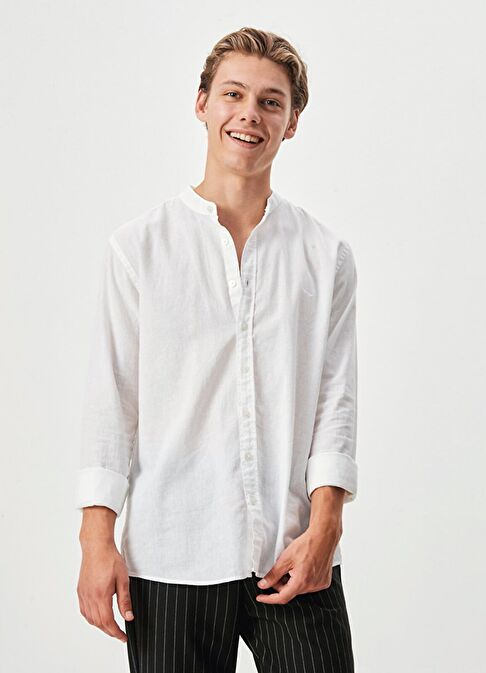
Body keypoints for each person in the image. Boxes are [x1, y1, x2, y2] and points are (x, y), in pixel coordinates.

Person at [75, 26, 358, 673]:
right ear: (202, 103)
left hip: (294, 550)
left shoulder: (325, 256)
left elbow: (336, 402)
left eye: (270, 101)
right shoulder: (139, 248)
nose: (249, 113)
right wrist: (96, 538)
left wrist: (326, 528)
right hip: (171, 550)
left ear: (291, 123)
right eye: (233, 94)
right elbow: (111, 401)